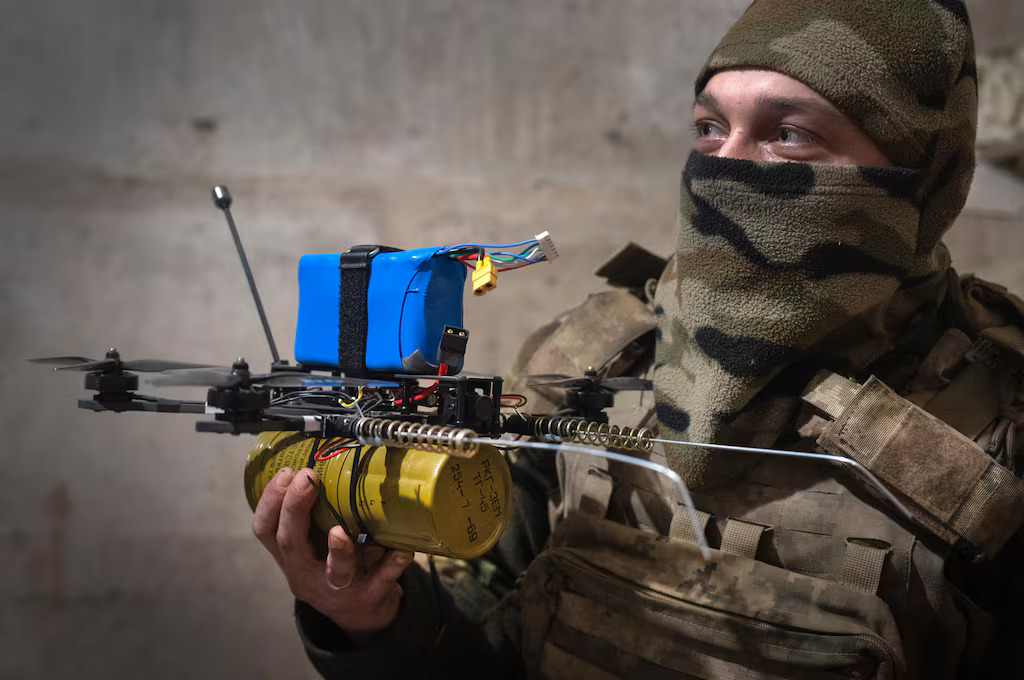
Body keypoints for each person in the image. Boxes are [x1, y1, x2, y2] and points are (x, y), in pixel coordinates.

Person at [252, 0, 1024, 677]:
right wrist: (375, 622)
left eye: (788, 135)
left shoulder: (1004, 426)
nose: (726, 168)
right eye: (709, 129)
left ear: (924, 175)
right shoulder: (585, 360)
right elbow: (485, 638)